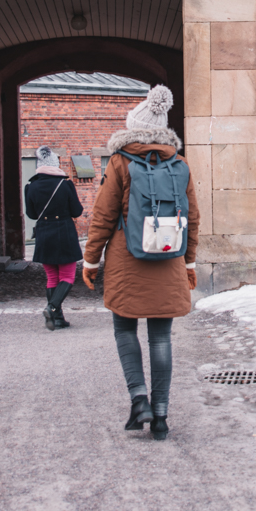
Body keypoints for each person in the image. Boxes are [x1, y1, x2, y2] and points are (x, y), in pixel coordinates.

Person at [81, 84, 198, 442]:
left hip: (126, 258)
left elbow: (102, 216)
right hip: (170, 259)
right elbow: (192, 218)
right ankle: (161, 416)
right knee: (161, 338)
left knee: (125, 329)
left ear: (133, 129)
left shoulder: (120, 162)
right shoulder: (180, 165)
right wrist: (189, 262)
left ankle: (139, 401)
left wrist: (90, 261)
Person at [25, 144, 85, 331]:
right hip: (64, 231)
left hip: (44, 232)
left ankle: (57, 319)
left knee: (52, 277)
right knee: (67, 276)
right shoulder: (65, 184)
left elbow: (32, 215)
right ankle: (52, 308)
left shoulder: (31, 186)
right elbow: (77, 211)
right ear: (56, 163)